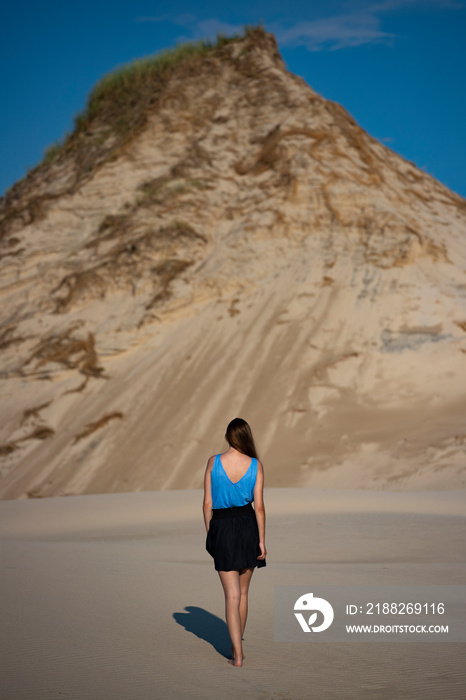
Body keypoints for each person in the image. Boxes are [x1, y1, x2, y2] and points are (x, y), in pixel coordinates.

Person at [203, 417, 266, 668]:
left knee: (231, 595)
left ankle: (237, 655)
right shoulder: (256, 465)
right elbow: (259, 506)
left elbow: (207, 504)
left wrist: (212, 533)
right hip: (248, 526)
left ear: (229, 436)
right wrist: (261, 540)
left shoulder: (213, 462)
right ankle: (237, 644)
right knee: (243, 593)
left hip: (223, 527)